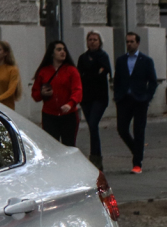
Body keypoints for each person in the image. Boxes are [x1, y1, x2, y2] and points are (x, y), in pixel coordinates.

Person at [112, 31, 159, 174]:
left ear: (137, 43)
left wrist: (147, 96)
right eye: (127, 42)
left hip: (140, 100)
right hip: (124, 99)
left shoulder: (146, 61)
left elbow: (153, 81)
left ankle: (137, 163)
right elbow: (117, 79)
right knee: (122, 128)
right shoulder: (121, 60)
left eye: (132, 41)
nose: (129, 44)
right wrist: (117, 95)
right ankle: (137, 150)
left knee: (139, 131)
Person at [31, 41, 82, 146]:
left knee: (69, 145)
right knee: (52, 146)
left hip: (69, 115)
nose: (62, 52)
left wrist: (70, 103)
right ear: (52, 53)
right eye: (59, 50)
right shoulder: (43, 71)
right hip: (49, 115)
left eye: (64, 49)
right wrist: (42, 93)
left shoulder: (71, 70)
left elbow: (77, 90)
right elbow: (35, 95)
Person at [76, 31, 112, 169]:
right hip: (86, 97)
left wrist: (92, 75)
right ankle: (95, 155)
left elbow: (105, 71)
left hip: (100, 97)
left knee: (93, 123)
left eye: (95, 39)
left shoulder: (103, 56)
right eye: (90, 39)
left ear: (99, 42)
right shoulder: (83, 57)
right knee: (92, 126)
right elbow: (80, 74)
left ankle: (96, 157)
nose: (92, 42)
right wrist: (93, 74)